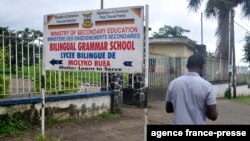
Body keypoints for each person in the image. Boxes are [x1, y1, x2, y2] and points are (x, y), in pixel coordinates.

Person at [166, 54, 218, 124]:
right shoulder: (207, 86)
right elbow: (213, 116)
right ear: (202, 67)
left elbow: (168, 109)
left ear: (187, 66)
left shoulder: (173, 83)